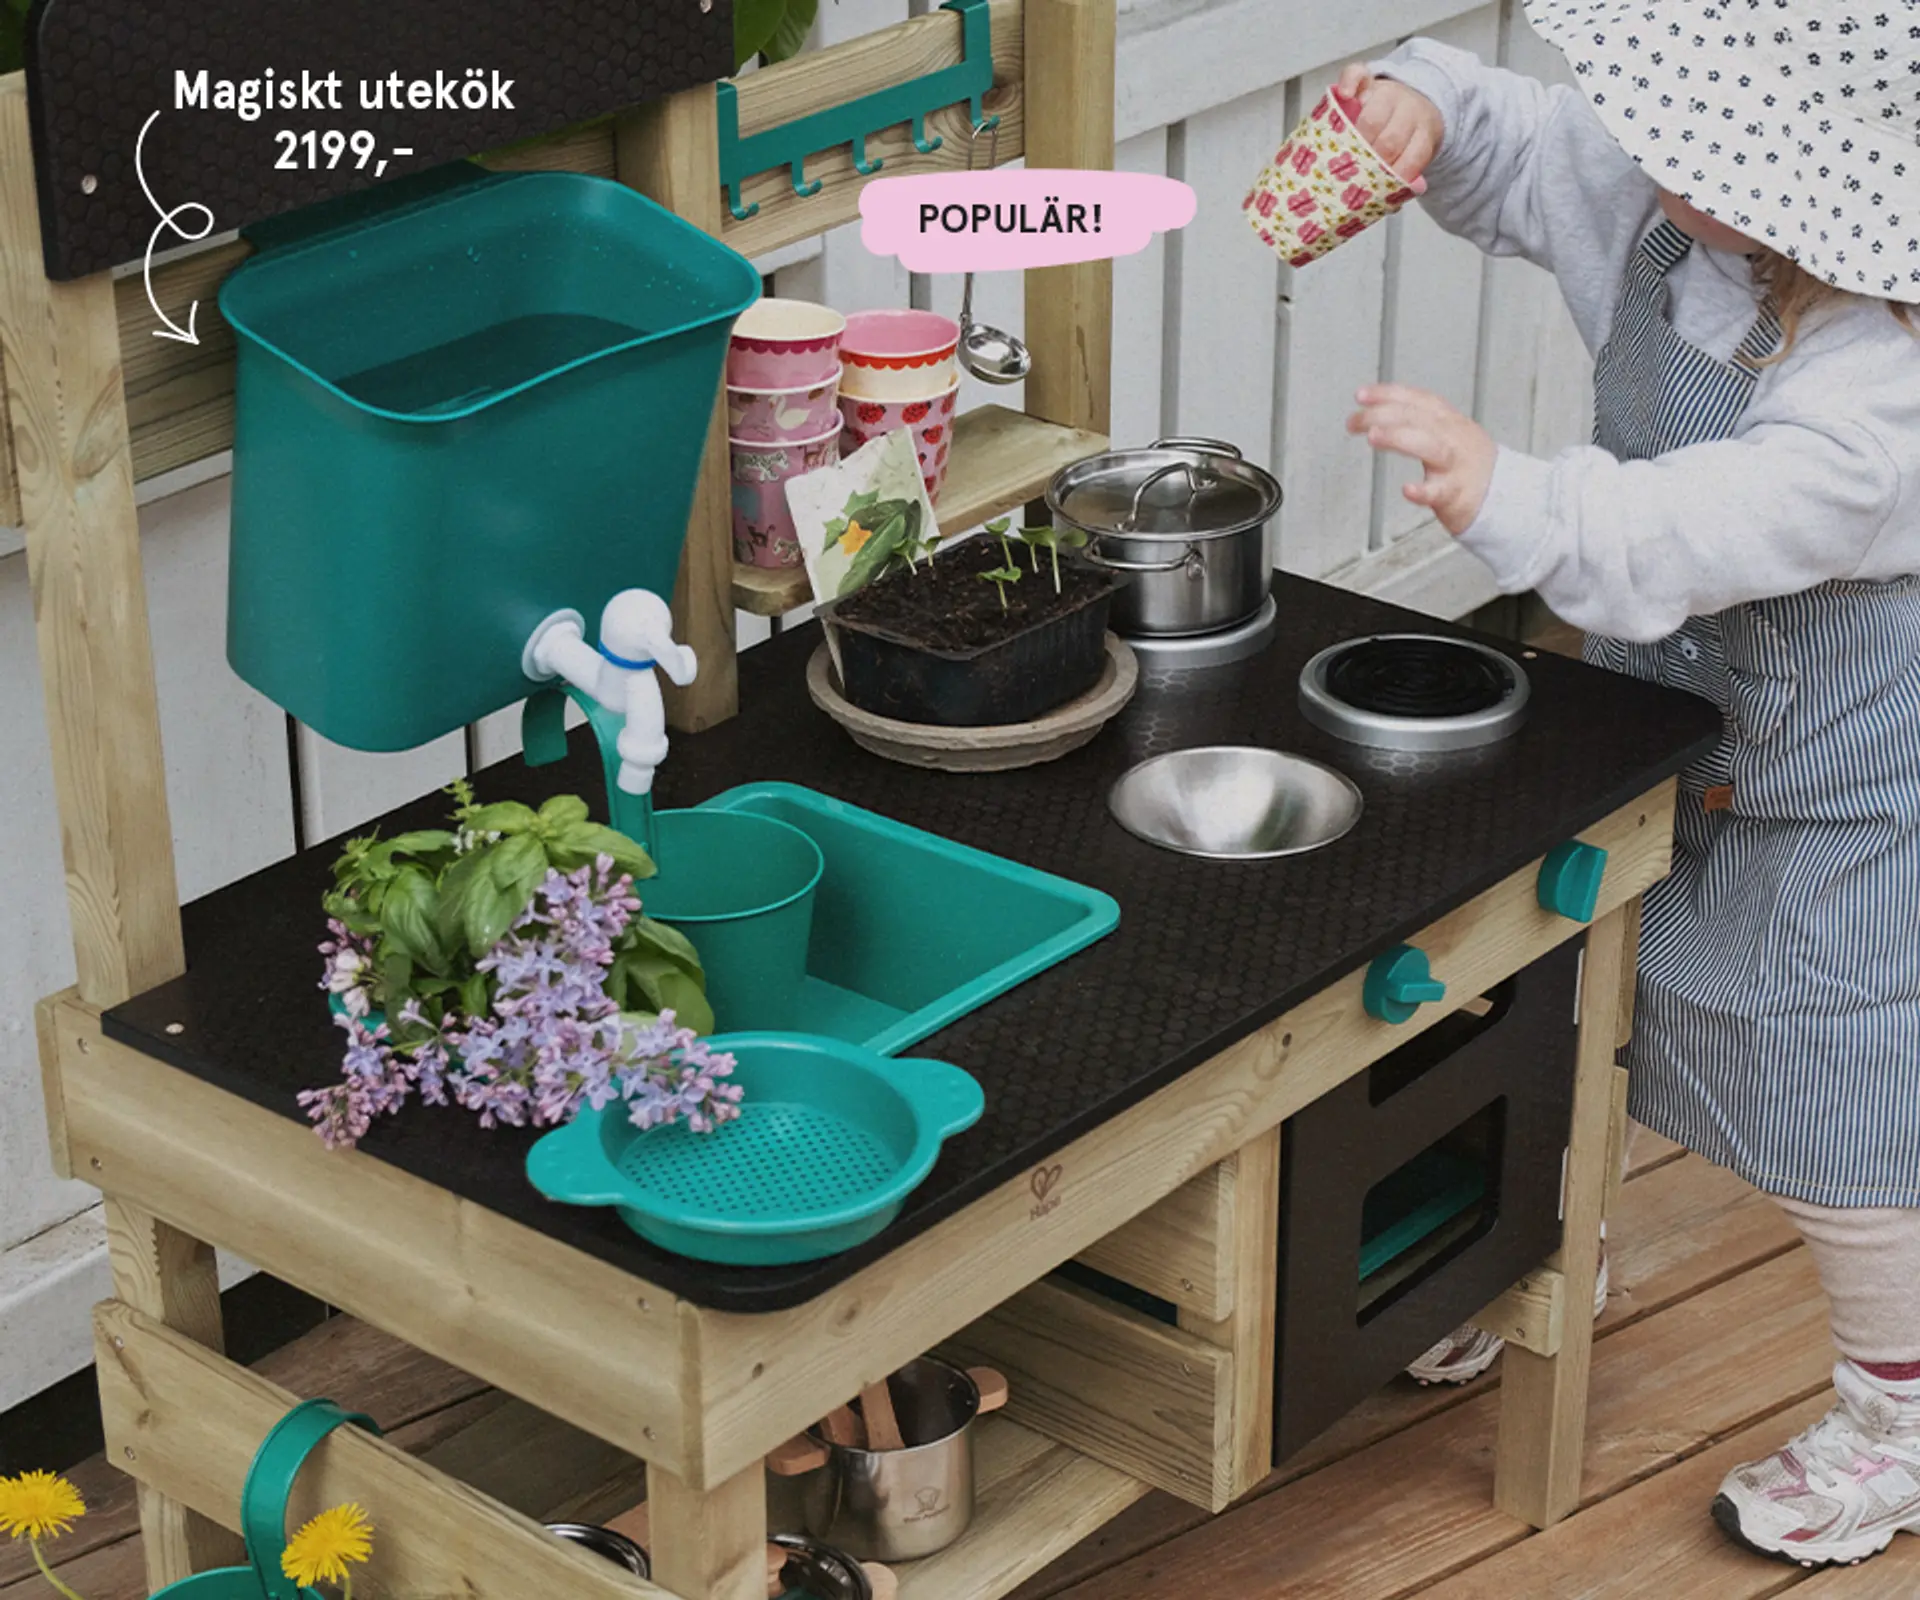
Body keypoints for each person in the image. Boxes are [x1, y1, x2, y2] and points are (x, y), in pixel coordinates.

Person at [1335, 2, 1920, 1569]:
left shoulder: (1883, 391)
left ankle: (1899, 1414)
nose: (1660, 159)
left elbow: (1684, 532)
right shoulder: (1677, 199)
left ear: (1824, 194)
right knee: (1583, 993)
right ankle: (1541, 1254)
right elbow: (1531, 145)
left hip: (1839, 792)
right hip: (1665, 729)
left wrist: (1508, 493)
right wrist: (1424, 108)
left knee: (1832, 1089)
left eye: (1712, 147)